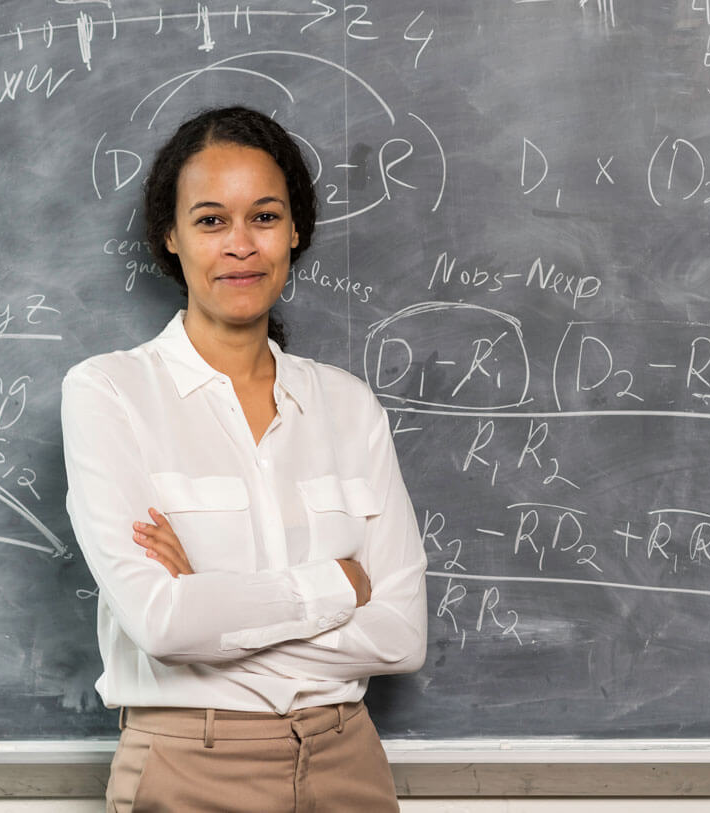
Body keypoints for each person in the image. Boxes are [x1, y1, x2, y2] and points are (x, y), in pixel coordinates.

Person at [61, 106, 427, 812]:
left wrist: (215, 608)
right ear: (170, 237)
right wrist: (335, 585)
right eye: (209, 220)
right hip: (188, 768)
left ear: (295, 231)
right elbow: (164, 625)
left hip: (347, 763)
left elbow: (401, 635)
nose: (240, 245)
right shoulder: (109, 392)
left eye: (263, 216)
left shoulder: (349, 406)